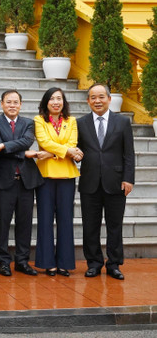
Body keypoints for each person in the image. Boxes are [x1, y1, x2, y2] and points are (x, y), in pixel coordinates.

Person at [77, 83, 135, 280]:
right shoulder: (80, 123)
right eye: (93, 97)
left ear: (109, 99)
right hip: (89, 182)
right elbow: (75, 149)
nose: (97, 101)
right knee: (90, 226)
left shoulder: (122, 122)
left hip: (116, 182)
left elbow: (129, 153)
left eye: (101, 97)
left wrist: (128, 178)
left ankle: (114, 264)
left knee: (115, 225)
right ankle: (93, 263)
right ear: (88, 101)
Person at [0, 90, 42, 277]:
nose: (12, 105)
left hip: (26, 181)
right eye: (8, 102)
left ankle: (22, 261)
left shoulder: (28, 123)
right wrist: (23, 152)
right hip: (3, 181)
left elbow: (27, 141)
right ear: (2, 104)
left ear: (21, 104)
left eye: (15, 102)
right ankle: (3, 262)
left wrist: (4, 146)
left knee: (24, 223)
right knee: (2, 223)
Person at [33, 87, 81, 277]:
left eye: (59, 98)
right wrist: (64, 152)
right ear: (46, 102)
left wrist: (54, 153)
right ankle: (47, 263)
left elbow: (73, 143)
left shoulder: (72, 121)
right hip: (45, 176)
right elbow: (44, 142)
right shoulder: (39, 120)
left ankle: (64, 263)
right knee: (45, 220)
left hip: (67, 176)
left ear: (64, 102)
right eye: (52, 98)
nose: (55, 102)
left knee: (65, 220)